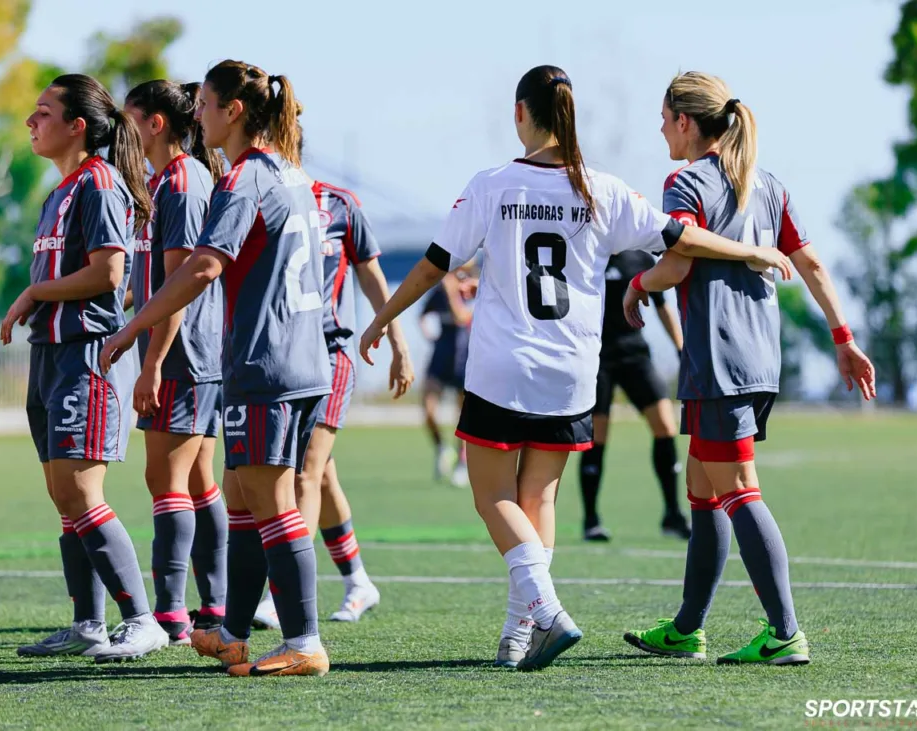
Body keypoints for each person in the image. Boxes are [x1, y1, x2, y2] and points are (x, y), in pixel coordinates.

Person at [358, 64, 793, 672]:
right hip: (571, 374)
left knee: (491, 497)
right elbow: (682, 240)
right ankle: (518, 635)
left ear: (520, 114)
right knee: (538, 499)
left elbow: (435, 264)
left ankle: (547, 609)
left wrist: (383, 319)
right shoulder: (604, 189)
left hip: (504, 369)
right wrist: (749, 250)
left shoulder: (492, 185)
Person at [622, 71, 876, 666]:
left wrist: (636, 286)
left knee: (737, 488)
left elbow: (679, 261)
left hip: (719, 357)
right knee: (702, 486)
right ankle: (687, 629)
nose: (660, 129)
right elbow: (811, 264)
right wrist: (843, 337)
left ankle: (785, 632)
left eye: (664, 118)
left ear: (685, 122)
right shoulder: (767, 184)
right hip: (758, 356)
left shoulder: (686, 182)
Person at [100, 60, 332, 678]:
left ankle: (304, 641)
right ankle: (231, 632)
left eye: (204, 103)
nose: (196, 114)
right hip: (303, 361)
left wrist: (131, 329)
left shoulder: (243, 178)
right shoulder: (292, 173)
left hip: (266, 363)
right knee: (241, 497)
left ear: (234, 111)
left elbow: (203, 266)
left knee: (272, 502)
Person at [1, 73, 168, 662]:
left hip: (85, 355)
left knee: (79, 490)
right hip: (49, 355)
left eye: (43, 112)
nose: (31, 121)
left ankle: (143, 621)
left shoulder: (98, 182)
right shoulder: (60, 192)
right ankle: (87, 625)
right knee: (63, 495)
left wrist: (33, 293)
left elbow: (109, 273)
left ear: (77, 126)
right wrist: (37, 299)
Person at [251, 166, 414, 630]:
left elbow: (372, 276)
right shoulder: (257, 197)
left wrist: (398, 344)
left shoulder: (339, 204)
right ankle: (359, 581)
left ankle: (284, 594)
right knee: (320, 474)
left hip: (330, 353)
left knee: (304, 470)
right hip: (282, 355)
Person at [122, 79, 228, 645]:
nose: (125, 132)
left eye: (130, 119)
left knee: (164, 479)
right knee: (196, 479)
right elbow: (154, 279)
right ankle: (213, 604)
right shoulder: (164, 181)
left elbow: (181, 284)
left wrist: (152, 363)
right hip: (190, 354)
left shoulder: (183, 183)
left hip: (184, 356)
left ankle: (169, 614)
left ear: (155, 123)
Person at [580, 250, 689, 542]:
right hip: (596, 357)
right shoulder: (588, 251)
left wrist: (680, 348)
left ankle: (672, 514)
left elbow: (662, 305)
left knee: (665, 425)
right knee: (597, 435)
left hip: (635, 354)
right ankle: (591, 519)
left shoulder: (640, 257)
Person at [418, 263, 477, 486]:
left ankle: (462, 463)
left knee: (463, 416)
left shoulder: (472, 289)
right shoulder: (440, 291)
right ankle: (442, 448)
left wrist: (452, 291)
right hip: (441, 354)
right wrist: (429, 335)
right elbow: (422, 315)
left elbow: (461, 317)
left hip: (465, 355)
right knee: (428, 408)